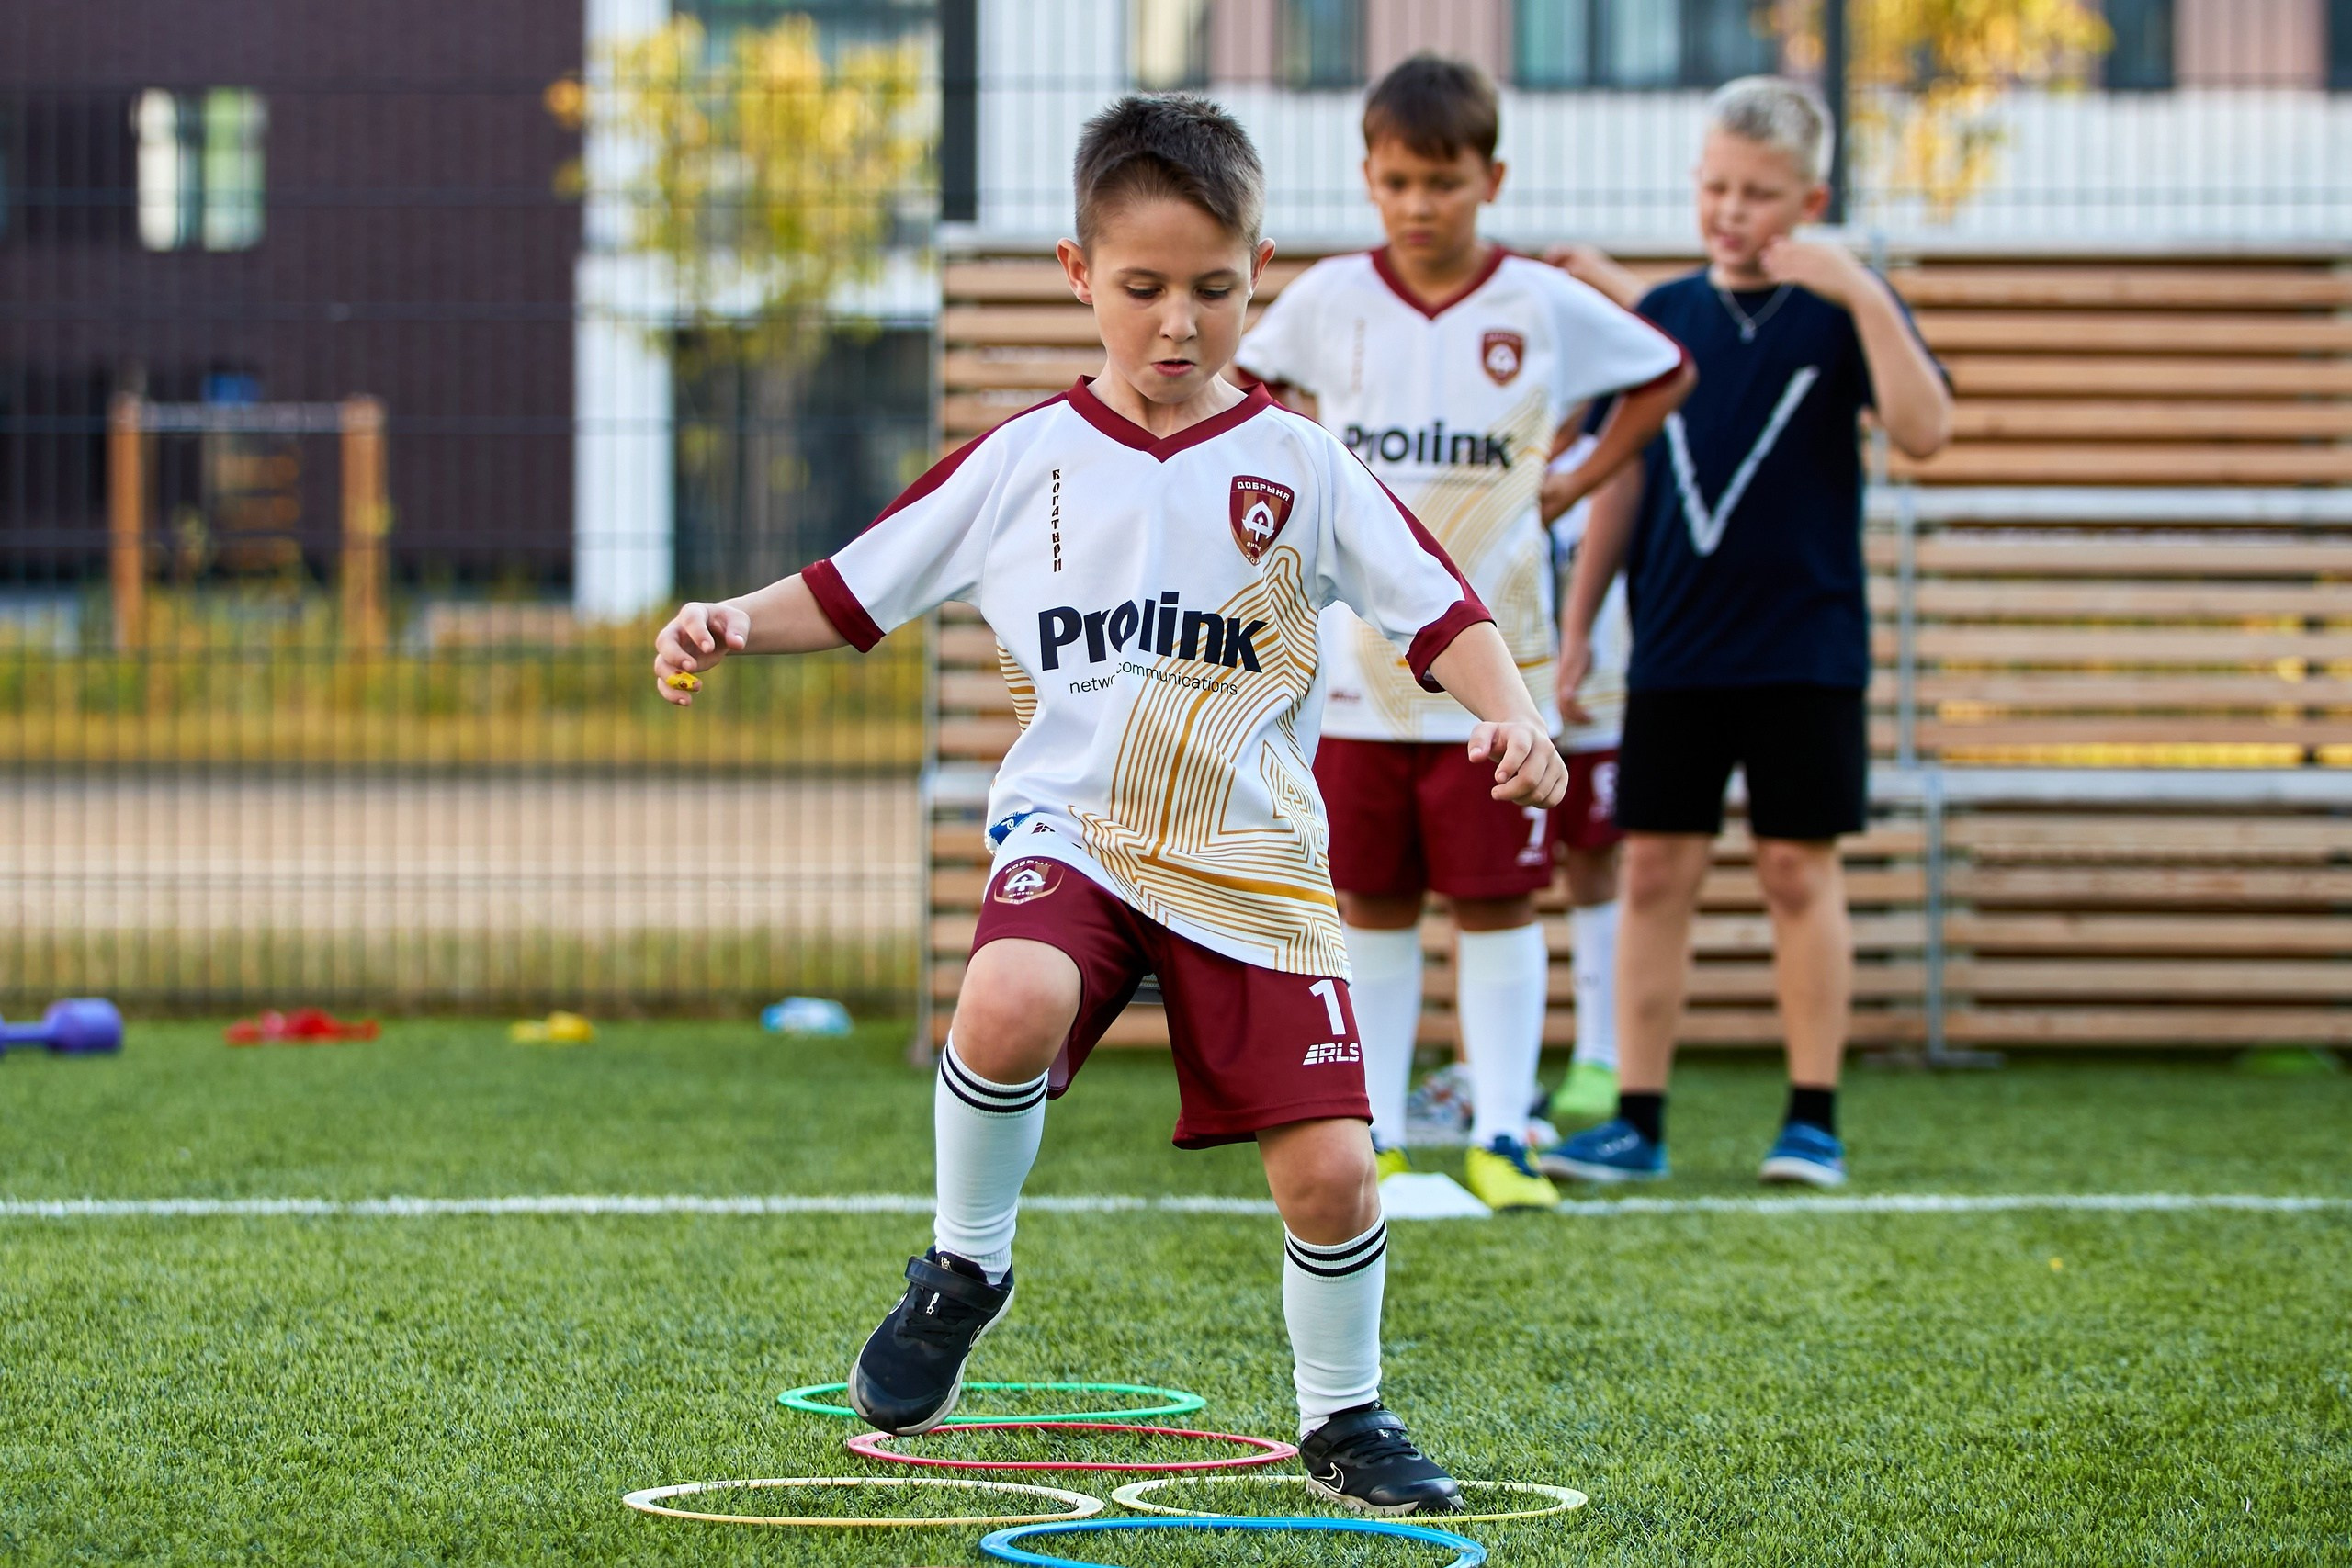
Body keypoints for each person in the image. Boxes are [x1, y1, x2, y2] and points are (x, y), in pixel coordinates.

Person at [653, 95, 1566, 1515]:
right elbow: (848, 591)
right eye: (1143, 288)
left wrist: (1512, 711)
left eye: (1214, 288)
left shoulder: (1302, 467)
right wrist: (725, 619)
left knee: (1334, 1175)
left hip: (1252, 857)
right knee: (1006, 994)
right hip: (1073, 832)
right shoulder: (1023, 459)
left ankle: (1347, 1417)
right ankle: (965, 1264)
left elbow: (1439, 608)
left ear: (1257, 271)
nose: (1179, 322)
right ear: (1082, 275)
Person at [1233, 53, 1690, 1213]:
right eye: (1396, 181)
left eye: (1442, 180)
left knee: (1496, 902)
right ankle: (1378, 1136)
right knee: (1372, 901)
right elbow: (1251, 379)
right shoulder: (1333, 295)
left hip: (1502, 676)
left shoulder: (1535, 302)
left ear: (1490, 177)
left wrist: (1577, 475)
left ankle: (1502, 1134)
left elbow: (1667, 369)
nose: (1419, 204)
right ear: (1366, 180)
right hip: (1357, 675)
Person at [1540, 77, 1951, 1190]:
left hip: (1806, 648)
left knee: (1792, 871)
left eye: (1759, 194)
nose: (1730, 210)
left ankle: (1811, 1118)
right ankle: (1636, 1117)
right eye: (1715, 185)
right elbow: (1622, 481)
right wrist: (1579, 633)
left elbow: (1926, 431)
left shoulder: (1840, 309)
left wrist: (1862, 292)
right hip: (1675, 647)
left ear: (1808, 197)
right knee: (1654, 869)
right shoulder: (1662, 315)